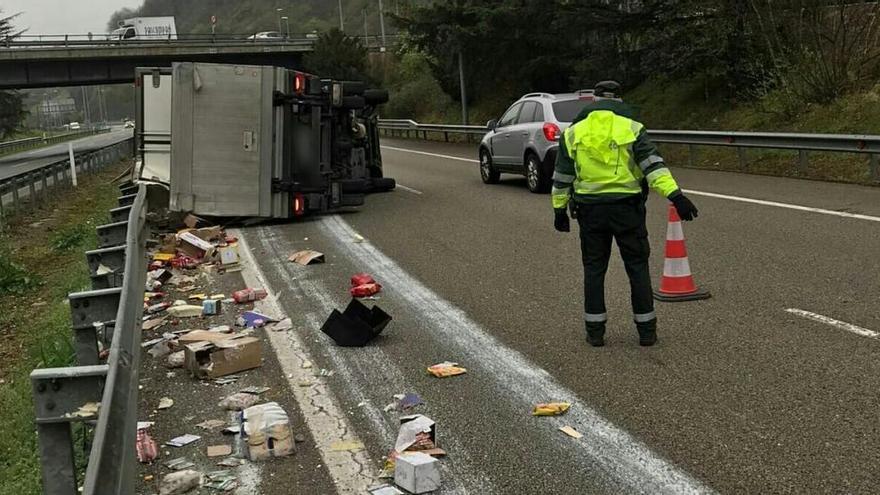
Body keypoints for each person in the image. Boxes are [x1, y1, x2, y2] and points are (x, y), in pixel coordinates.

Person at [551, 80, 699, 347]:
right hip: (627, 209)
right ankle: (646, 332)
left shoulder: (573, 133)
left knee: (594, 269)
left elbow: (562, 177)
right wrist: (675, 195)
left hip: (590, 210)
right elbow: (653, 168)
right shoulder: (632, 128)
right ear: (620, 101)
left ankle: (595, 332)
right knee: (637, 268)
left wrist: (559, 209)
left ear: (593, 101)